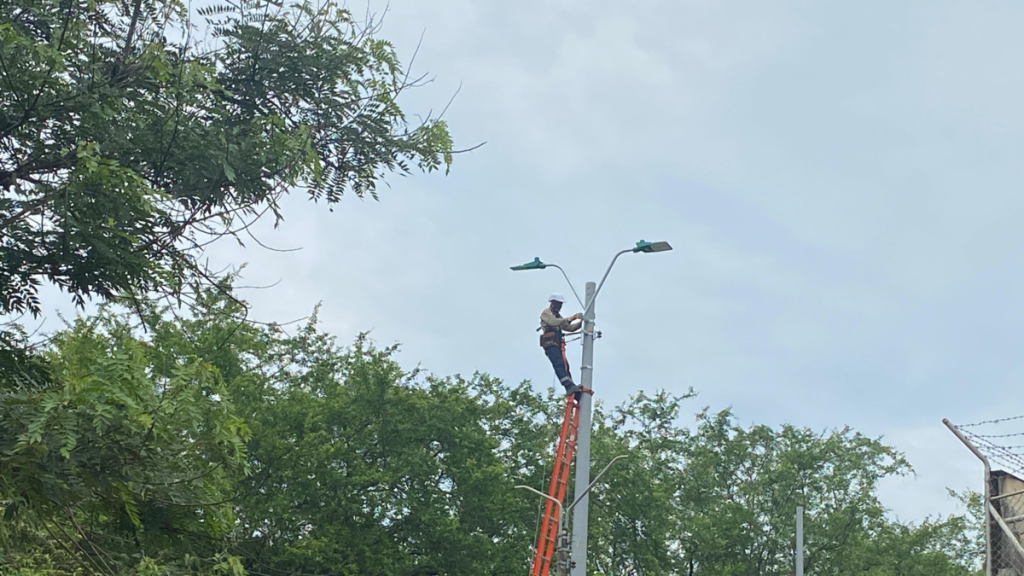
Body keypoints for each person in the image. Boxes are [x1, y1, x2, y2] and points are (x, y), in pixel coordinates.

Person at [539, 293, 583, 395]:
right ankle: (568, 386)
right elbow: (553, 322)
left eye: (561, 304)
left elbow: (569, 328)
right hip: (550, 344)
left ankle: (572, 387)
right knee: (558, 364)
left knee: (564, 365)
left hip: (556, 343)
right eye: (558, 304)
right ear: (553, 303)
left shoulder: (558, 316)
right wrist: (571, 318)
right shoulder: (546, 313)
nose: (560, 306)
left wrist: (582, 323)